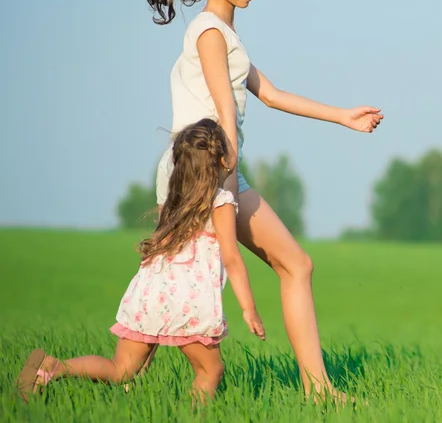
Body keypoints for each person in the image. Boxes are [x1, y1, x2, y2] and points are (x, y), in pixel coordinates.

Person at [117, 0, 383, 399]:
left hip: (220, 170)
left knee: (295, 265)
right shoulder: (211, 34)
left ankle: (316, 388)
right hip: (204, 171)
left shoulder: (223, 33)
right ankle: (103, 373)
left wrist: (343, 116)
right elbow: (223, 110)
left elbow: (272, 94)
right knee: (180, 285)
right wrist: (226, 175)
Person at [15, 119, 265, 404]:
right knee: (211, 370)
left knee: (121, 370)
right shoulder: (220, 202)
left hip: (148, 295)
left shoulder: (175, 200)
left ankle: (54, 367)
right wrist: (249, 309)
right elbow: (232, 258)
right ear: (222, 161)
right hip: (188, 303)